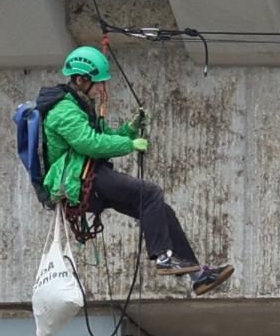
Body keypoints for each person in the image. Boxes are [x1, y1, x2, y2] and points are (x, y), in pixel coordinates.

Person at [36, 47, 228, 293]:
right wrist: (130, 144)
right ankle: (163, 257)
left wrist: (130, 129)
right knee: (150, 193)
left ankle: (199, 276)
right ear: (81, 80)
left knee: (160, 210)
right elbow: (90, 144)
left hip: (88, 176)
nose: (102, 90)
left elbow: (102, 137)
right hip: (80, 180)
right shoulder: (63, 111)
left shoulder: (79, 105)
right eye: (98, 84)